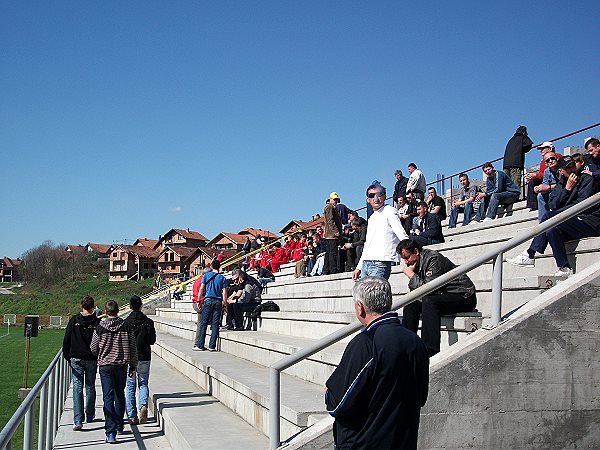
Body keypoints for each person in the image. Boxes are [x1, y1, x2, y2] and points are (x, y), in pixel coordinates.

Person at [325, 276, 429, 449]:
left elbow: (338, 404)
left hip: (364, 443)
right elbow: (421, 397)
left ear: (360, 308)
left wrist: (329, 391)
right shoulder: (415, 341)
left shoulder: (366, 342)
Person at [507, 156, 600, 277]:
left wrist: (559, 211)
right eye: (567, 168)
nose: (571, 169)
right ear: (560, 171)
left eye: (572, 165)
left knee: (549, 217)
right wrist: (567, 189)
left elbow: (581, 206)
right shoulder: (561, 185)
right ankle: (564, 267)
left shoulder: (585, 179)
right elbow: (553, 204)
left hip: (589, 221)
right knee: (551, 229)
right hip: (571, 223)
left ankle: (530, 253)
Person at [398, 239, 477, 356]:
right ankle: (407, 347)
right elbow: (418, 292)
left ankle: (429, 349)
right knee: (411, 304)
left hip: (463, 295)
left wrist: (411, 275)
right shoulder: (416, 263)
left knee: (429, 301)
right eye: (403, 259)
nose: (406, 262)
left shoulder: (433, 258)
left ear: (416, 251)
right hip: (443, 295)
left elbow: (429, 290)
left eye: (407, 257)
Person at [90, 300, 138, 444]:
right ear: (117, 311)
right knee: (119, 395)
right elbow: (132, 347)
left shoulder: (100, 327)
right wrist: (133, 366)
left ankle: (110, 431)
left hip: (105, 365)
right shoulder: (126, 326)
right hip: (121, 365)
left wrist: (101, 354)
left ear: (105, 312)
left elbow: (93, 347)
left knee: (108, 397)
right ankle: (118, 425)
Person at [353, 183, 408, 281]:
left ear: (384, 196)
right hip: (367, 262)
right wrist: (359, 267)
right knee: (363, 295)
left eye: (379, 194)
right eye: (372, 195)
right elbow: (368, 244)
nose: (376, 198)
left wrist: (410, 254)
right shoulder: (371, 218)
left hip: (381, 262)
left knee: (375, 294)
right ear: (368, 199)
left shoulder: (390, 211)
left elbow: (401, 234)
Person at [63, 295, 100, 430]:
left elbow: (67, 338)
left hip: (76, 358)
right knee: (90, 386)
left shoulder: (74, 320)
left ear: (81, 306)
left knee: (78, 387)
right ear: (93, 307)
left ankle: (78, 420)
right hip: (91, 358)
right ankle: (89, 414)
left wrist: (67, 355)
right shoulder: (96, 321)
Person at [124, 295, 156, 425]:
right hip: (144, 356)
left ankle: (132, 415)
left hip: (130, 358)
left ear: (130, 306)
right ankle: (143, 405)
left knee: (130, 386)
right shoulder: (148, 322)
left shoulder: (126, 323)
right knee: (143, 383)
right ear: (141, 305)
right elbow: (152, 340)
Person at [194, 259, 228, 351]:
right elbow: (224, 293)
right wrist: (224, 305)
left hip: (208, 300)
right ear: (219, 266)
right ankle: (212, 346)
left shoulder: (206, 275)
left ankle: (200, 345)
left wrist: (198, 300)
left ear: (211, 266)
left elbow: (201, 289)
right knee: (215, 323)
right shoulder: (222, 278)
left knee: (204, 323)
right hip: (218, 301)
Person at [525, 142, 562, 211]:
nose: (541, 151)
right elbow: (544, 174)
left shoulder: (557, 156)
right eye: (547, 160)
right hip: (546, 180)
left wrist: (536, 175)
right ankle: (533, 205)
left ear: (550, 149)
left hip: (556, 182)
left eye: (543, 148)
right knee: (532, 183)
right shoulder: (543, 162)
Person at [503, 125, 533, 192]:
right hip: (515, 163)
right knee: (516, 181)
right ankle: (516, 197)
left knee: (507, 183)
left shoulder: (511, 139)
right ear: (524, 132)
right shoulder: (522, 137)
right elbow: (529, 145)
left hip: (506, 164)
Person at [534, 150, 561, 222]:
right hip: (553, 192)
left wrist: (548, 187)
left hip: (564, 190)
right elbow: (545, 184)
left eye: (552, 158)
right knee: (540, 196)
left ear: (557, 159)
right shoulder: (547, 171)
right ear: (545, 163)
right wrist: (539, 188)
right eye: (548, 160)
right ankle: (543, 221)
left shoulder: (562, 168)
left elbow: (564, 184)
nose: (551, 161)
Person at [323, 193, 342, 275]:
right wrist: (336, 231)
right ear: (330, 199)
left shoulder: (330, 207)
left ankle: (327, 270)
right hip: (332, 234)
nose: (336, 201)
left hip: (329, 234)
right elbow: (330, 221)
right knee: (332, 252)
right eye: (334, 199)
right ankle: (332, 269)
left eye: (337, 199)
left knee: (329, 253)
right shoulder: (330, 207)